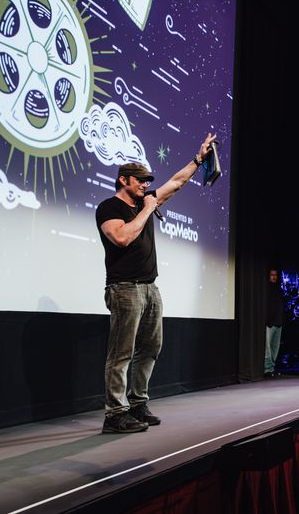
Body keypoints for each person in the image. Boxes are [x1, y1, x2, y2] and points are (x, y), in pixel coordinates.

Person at [95, 133, 217, 433]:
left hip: (150, 288)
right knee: (121, 352)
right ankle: (115, 413)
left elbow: (176, 182)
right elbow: (122, 237)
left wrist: (198, 159)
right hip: (124, 288)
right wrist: (149, 208)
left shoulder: (145, 202)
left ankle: (137, 404)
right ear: (124, 180)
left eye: (148, 181)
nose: (146, 185)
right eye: (140, 181)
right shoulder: (109, 208)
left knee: (150, 348)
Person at [264, 268, 285, 378]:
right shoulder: (266, 289)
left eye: (275, 275)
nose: (274, 277)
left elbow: (280, 307)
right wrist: (268, 321)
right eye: (272, 275)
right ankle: (267, 369)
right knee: (267, 348)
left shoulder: (279, 290)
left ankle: (272, 368)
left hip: (278, 323)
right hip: (270, 323)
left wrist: (281, 321)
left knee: (274, 348)